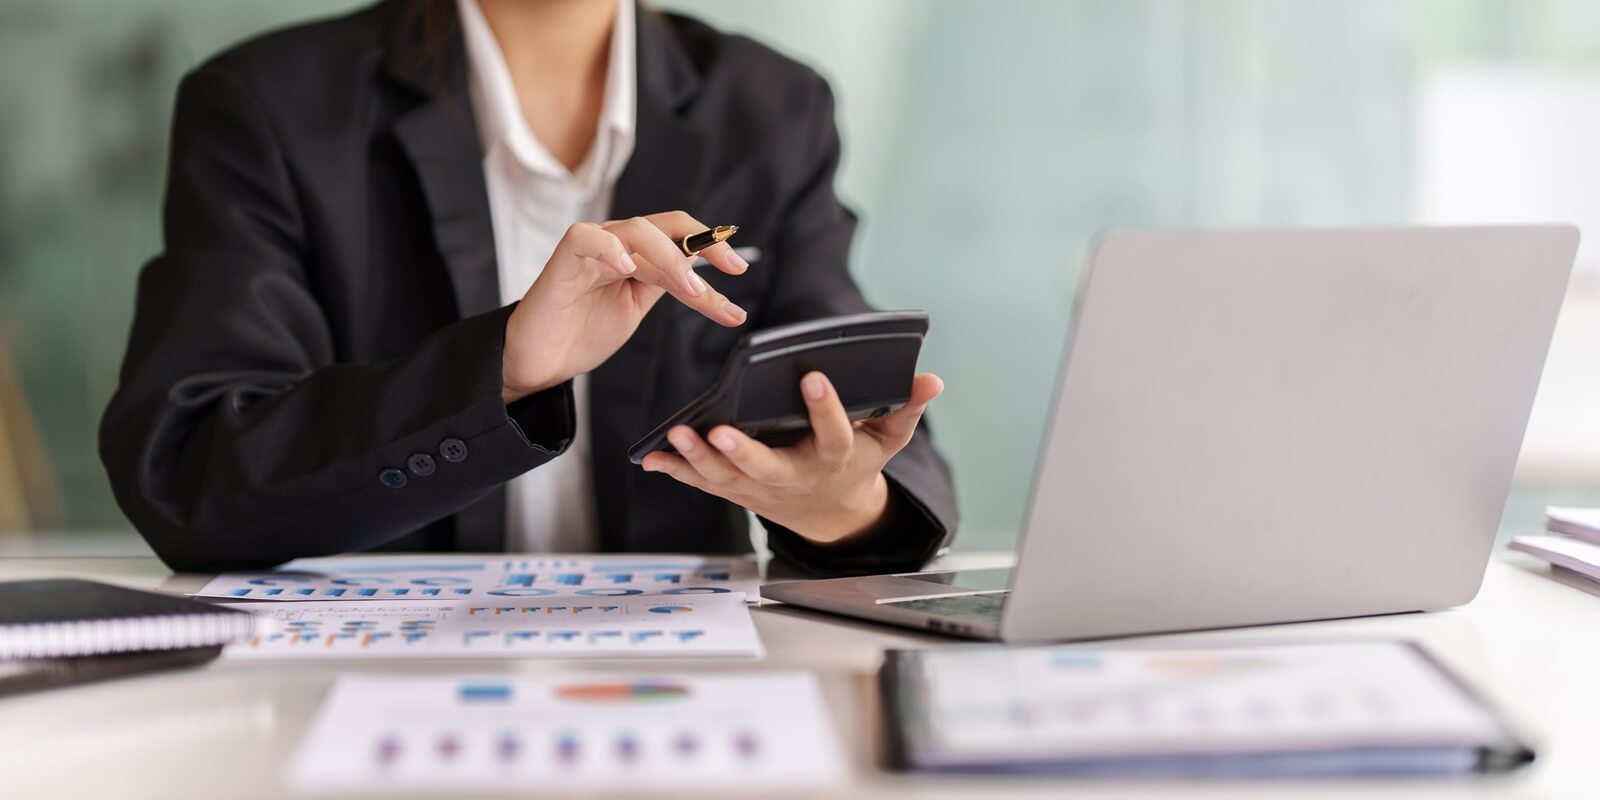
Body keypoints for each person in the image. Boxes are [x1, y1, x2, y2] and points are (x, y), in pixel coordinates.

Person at [100, 0, 957, 575]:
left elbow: (854, 409)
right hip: (363, 681)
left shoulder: (771, 105)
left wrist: (841, 502)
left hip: (679, 684)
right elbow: (191, 477)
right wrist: (501, 372)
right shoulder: (266, 104)